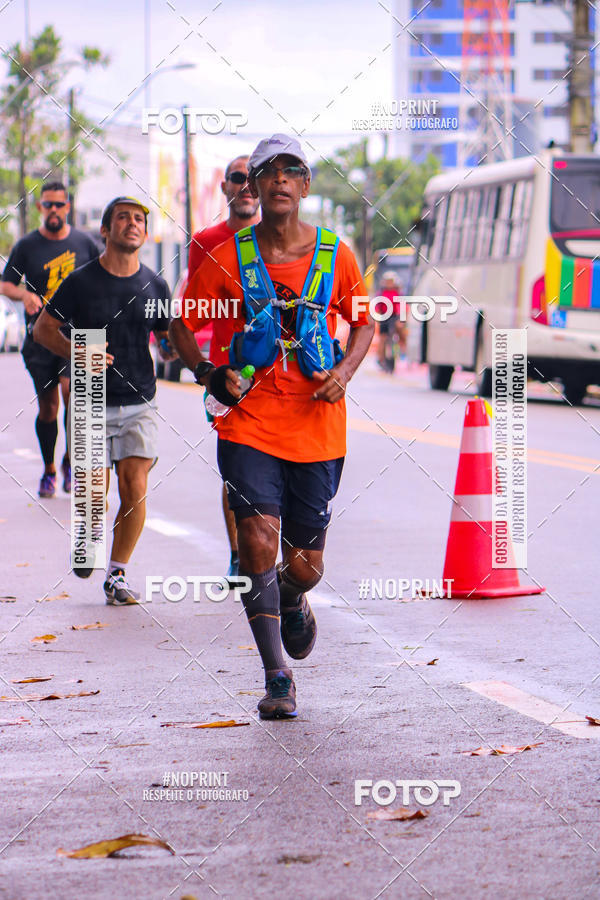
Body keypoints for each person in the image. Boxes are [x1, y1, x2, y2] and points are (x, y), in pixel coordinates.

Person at [169, 134, 374, 718]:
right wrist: (209, 373)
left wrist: (346, 369)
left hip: (317, 423)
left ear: (305, 186)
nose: (280, 180)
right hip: (248, 420)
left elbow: (363, 324)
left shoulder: (338, 255)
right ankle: (276, 675)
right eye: (268, 172)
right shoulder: (225, 257)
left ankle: (292, 600)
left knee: (306, 565)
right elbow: (184, 326)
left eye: (292, 171)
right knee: (256, 534)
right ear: (253, 187)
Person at [34, 197, 175, 606]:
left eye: (139, 219)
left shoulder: (156, 284)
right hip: (90, 397)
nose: (132, 224)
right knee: (96, 493)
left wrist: (177, 349)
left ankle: (116, 575)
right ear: (106, 230)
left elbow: (166, 341)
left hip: (139, 399)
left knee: (135, 488)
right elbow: (42, 329)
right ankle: (88, 533)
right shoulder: (80, 282)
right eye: (122, 217)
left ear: (145, 233)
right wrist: (76, 351)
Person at [186, 155, 260, 580]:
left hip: (275, 372)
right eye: (238, 178)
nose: (247, 186)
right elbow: (195, 307)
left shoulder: (278, 238)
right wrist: (206, 368)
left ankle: (267, 549)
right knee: (236, 466)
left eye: (254, 178)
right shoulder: (206, 241)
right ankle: (239, 553)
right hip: (226, 372)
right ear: (226, 188)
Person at [0, 181, 99, 497]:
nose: (53, 210)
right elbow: (5, 285)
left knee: (75, 399)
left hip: (80, 337)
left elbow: (104, 277)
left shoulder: (86, 243)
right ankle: (49, 469)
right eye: (47, 205)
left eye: (59, 204)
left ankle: (71, 461)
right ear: (41, 208)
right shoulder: (27, 246)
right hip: (40, 338)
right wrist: (25, 295)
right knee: (49, 409)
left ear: (68, 207)